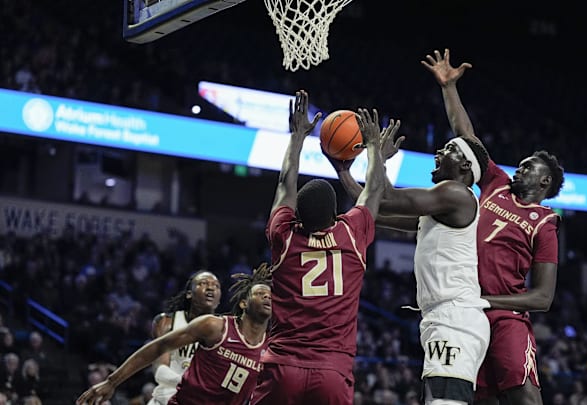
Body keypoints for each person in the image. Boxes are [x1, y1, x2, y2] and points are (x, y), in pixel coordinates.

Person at [422, 48, 565, 405]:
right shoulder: (496, 183)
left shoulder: (545, 222)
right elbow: (466, 138)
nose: (519, 167)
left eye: (529, 166)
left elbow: (543, 298)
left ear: (545, 182)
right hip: (466, 313)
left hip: (504, 318)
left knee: (525, 396)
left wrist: (487, 300)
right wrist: (449, 88)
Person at [330, 116, 492, 405]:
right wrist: (344, 172)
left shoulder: (455, 194)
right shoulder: (440, 207)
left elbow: (387, 196)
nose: (438, 153)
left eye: (448, 149)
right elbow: (374, 210)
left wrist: (376, 154)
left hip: (454, 318)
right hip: (444, 317)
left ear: (465, 166)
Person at [251, 90, 387, 405]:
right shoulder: (351, 233)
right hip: (332, 371)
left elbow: (286, 182)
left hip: (283, 367)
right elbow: (375, 188)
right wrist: (373, 146)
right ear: (336, 214)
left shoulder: (284, 236)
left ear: (296, 215)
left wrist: (298, 136)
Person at [76, 263, 273, 405]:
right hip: (172, 395)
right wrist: (112, 381)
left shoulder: (271, 349)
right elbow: (158, 348)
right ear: (243, 303)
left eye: (271, 295)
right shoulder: (212, 326)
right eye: (260, 293)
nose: (267, 297)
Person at [145, 270, 222, 405]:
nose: (211, 287)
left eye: (216, 286)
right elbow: (159, 369)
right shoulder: (167, 322)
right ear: (189, 294)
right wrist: (190, 384)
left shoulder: (225, 330)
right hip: (167, 396)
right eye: (203, 283)